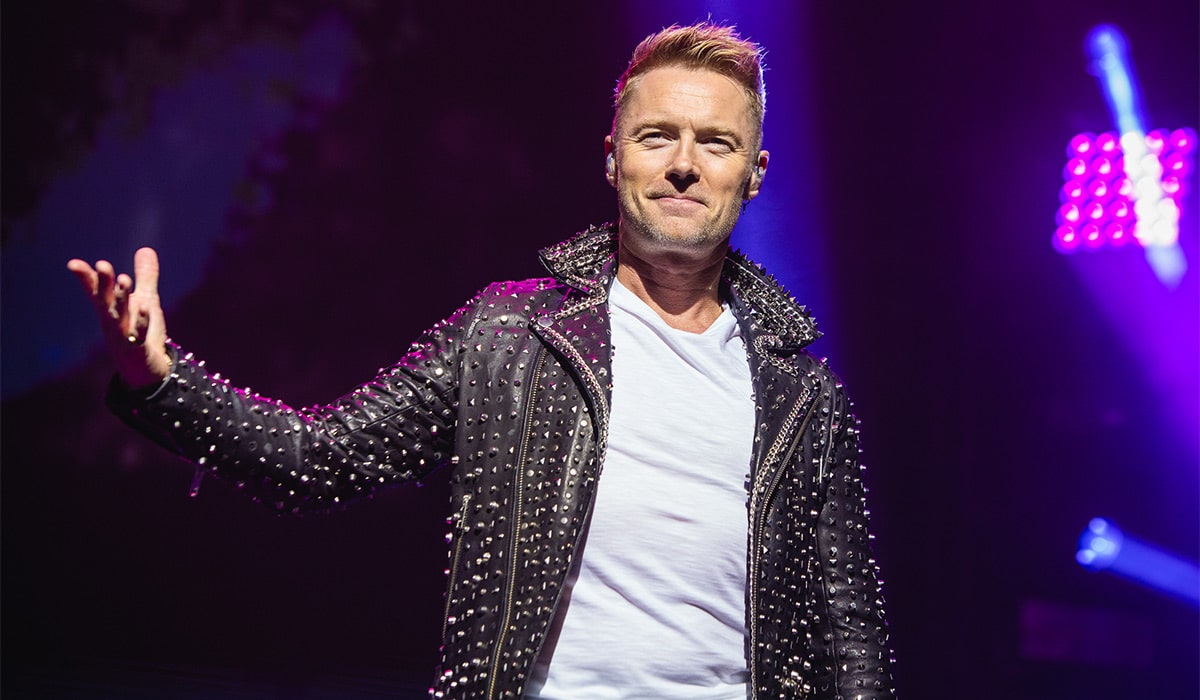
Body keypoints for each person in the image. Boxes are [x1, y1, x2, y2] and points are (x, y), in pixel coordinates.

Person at [68, 22, 895, 700]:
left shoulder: (801, 393)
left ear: (754, 174)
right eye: (657, 136)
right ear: (614, 156)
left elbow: (851, 635)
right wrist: (160, 379)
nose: (684, 163)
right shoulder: (508, 335)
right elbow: (317, 459)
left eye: (716, 142)